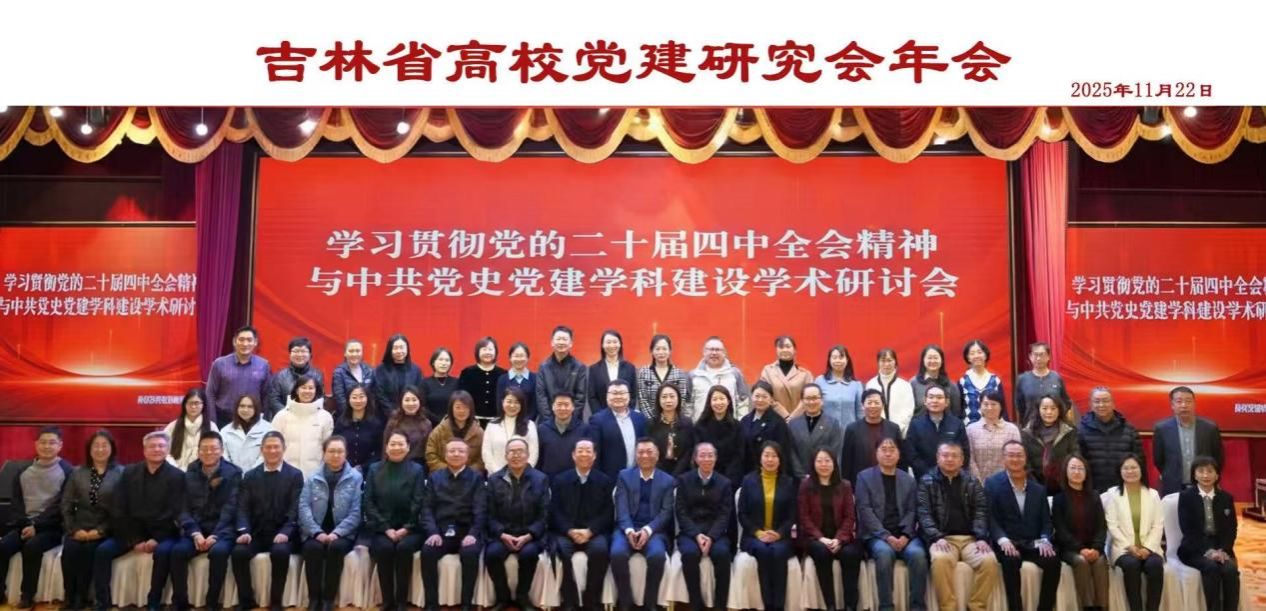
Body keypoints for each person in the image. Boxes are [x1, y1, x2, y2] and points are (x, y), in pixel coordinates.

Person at [97, 431, 186, 611]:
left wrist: (157, 538)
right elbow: (119, 507)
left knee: (162, 552)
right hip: (131, 531)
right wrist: (135, 539)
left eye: (161, 446)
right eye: (152, 446)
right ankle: (102, 601)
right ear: (144, 450)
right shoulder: (129, 472)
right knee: (102, 551)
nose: (157, 449)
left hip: (163, 532)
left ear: (167, 449)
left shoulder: (177, 476)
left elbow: (175, 512)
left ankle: (154, 601)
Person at [917, 441, 999, 611]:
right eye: (945, 455)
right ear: (937, 458)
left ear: (962, 460)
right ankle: (948, 607)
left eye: (954, 456)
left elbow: (981, 510)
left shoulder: (972, 481)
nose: (950, 459)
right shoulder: (926, 481)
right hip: (943, 539)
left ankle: (976, 606)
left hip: (971, 539)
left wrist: (981, 537)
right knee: (940, 560)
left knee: (989, 561)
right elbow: (924, 513)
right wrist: (936, 537)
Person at [0, 426, 72, 609]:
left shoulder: (68, 471)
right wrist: (26, 523)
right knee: (3, 546)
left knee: (32, 547)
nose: (47, 446)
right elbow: (16, 502)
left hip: (52, 528)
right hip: (24, 525)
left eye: (52, 442)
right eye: (43, 442)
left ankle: (27, 595)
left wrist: (37, 526)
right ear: (36, 444)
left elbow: (61, 505)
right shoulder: (23, 471)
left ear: (60, 445)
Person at [231, 431, 304, 611]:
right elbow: (242, 507)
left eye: (276, 447)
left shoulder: (295, 475)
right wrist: (244, 531)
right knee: (238, 553)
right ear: (261, 450)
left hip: (283, 534)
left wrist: (285, 532)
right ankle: (246, 600)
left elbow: (296, 509)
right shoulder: (250, 476)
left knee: (280, 552)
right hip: (256, 533)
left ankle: (276, 602)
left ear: (284, 449)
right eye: (268, 447)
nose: (272, 451)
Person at [984, 441, 1060, 611]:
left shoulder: (1038, 489)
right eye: (1011, 455)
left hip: (1033, 542)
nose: (1015, 459)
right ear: (1003, 458)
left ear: (1025, 458)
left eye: (1019, 455)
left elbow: (1046, 522)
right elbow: (990, 518)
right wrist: (1002, 539)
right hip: (1008, 542)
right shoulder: (992, 483)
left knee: (1053, 561)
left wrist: (1045, 539)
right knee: (1010, 561)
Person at [855, 438, 928, 611]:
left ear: (899, 454)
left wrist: (905, 535)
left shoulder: (908, 480)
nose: (888, 453)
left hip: (905, 535)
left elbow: (912, 510)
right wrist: (886, 536)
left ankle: (917, 606)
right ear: (876, 453)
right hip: (877, 535)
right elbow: (865, 511)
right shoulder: (864, 477)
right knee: (884, 553)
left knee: (918, 554)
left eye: (892, 449)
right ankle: (886, 606)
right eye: (883, 449)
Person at [170, 432, 240, 611]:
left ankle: (211, 602)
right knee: (178, 552)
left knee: (219, 553)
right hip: (196, 528)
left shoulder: (233, 473)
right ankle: (180, 602)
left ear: (221, 451)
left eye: (214, 449)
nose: (209, 452)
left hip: (222, 529)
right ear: (198, 451)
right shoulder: (190, 472)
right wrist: (195, 533)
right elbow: (183, 508)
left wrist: (216, 535)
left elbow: (231, 508)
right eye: (204, 449)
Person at [420, 439, 486, 611]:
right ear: (445, 454)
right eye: (452, 451)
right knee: (427, 551)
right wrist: (433, 532)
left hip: (467, 532)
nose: (456, 454)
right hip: (441, 532)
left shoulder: (477, 478)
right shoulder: (434, 477)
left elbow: (480, 510)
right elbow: (427, 508)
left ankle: (466, 604)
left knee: (470, 553)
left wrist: (472, 534)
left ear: (467, 455)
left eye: (461, 451)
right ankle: (431, 604)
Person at [298, 436, 362, 611]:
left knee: (335, 548)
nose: (335, 455)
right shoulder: (312, 477)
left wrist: (337, 533)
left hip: (343, 533)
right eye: (331, 451)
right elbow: (303, 507)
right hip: (315, 531)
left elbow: (356, 512)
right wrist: (316, 532)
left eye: (340, 451)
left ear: (346, 454)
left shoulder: (356, 477)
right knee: (312, 548)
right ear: (324, 454)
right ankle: (314, 599)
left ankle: (328, 599)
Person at [484, 439, 550, 611]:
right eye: (512, 452)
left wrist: (529, 535)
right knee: (492, 554)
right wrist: (502, 534)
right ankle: (502, 597)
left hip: (530, 534)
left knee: (529, 554)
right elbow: (489, 514)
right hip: (503, 534)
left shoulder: (540, 479)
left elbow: (545, 514)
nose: (516, 455)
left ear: (528, 455)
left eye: (520, 451)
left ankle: (522, 597)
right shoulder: (494, 480)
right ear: (505, 455)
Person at [550, 438, 614, 611]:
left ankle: (591, 600)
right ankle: (569, 600)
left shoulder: (604, 481)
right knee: (560, 551)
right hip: (567, 532)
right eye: (580, 450)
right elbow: (554, 511)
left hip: (593, 532)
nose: (584, 454)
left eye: (588, 451)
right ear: (573, 455)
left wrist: (590, 531)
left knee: (600, 551)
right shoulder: (560, 480)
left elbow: (608, 513)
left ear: (595, 456)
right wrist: (569, 530)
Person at [61, 431, 123, 611]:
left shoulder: (121, 473)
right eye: (96, 445)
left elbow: (120, 510)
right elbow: (65, 504)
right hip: (79, 527)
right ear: (89, 449)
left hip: (107, 528)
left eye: (104, 445)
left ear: (112, 448)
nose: (100, 449)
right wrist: (73, 530)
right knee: (70, 551)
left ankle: (84, 598)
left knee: (89, 550)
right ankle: (70, 598)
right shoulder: (77, 473)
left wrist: (101, 531)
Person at [610, 439, 674, 611]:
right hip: (626, 529)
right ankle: (626, 603)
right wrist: (629, 530)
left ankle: (650, 604)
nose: (645, 456)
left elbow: (666, 512)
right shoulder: (624, 476)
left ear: (657, 455)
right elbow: (621, 508)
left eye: (649, 452)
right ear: (635, 455)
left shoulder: (668, 480)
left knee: (657, 556)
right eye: (641, 452)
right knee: (617, 554)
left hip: (654, 531)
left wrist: (647, 530)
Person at [364, 432, 425, 611]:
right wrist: (386, 528)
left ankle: (401, 602)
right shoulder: (374, 469)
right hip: (382, 528)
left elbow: (418, 501)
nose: (396, 448)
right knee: (385, 549)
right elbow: (368, 502)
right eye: (393, 444)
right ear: (386, 447)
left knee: (404, 549)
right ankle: (387, 601)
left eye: (400, 444)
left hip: (410, 529)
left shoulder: (417, 470)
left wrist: (406, 528)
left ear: (408, 447)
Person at [798, 449, 862, 611]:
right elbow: (804, 517)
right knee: (822, 552)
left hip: (841, 538)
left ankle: (850, 605)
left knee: (851, 554)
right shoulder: (806, 485)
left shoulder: (845, 485)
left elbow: (850, 517)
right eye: (819, 461)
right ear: (813, 464)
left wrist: (839, 539)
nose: (824, 464)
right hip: (816, 539)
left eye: (827, 460)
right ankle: (830, 605)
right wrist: (821, 538)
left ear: (834, 463)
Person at [737, 441, 797, 611]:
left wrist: (778, 534)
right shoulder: (748, 481)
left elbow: (792, 515)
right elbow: (742, 514)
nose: (770, 460)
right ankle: (767, 604)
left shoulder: (788, 482)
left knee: (778, 552)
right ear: (760, 458)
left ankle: (778, 605)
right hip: (754, 536)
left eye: (774, 456)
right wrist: (758, 533)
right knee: (763, 551)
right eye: (766, 455)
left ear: (780, 459)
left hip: (781, 536)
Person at [675, 442, 733, 611]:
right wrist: (696, 535)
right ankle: (696, 605)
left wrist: (711, 537)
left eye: (710, 455)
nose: (706, 459)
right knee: (689, 554)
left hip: (716, 533)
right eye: (702, 455)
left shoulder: (724, 483)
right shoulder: (684, 480)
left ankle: (720, 606)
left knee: (722, 554)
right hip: (690, 532)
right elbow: (681, 512)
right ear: (695, 458)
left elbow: (724, 515)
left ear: (716, 458)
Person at [1177, 456, 1240, 611]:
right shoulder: (1186, 497)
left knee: (1230, 569)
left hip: (1221, 548)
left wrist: (1223, 550)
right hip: (1193, 548)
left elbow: (1231, 529)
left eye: (1210, 471)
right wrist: (1209, 552)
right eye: (1201, 471)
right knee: (1211, 567)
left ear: (1217, 475)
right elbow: (1188, 530)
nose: (1205, 475)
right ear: (1194, 474)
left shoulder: (1226, 498)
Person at [1103, 455, 1164, 611]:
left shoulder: (1153, 494)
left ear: (1141, 470)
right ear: (1120, 471)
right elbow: (1112, 526)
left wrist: (1148, 548)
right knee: (1131, 565)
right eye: (1126, 468)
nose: (1130, 471)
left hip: (1149, 548)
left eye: (1134, 467)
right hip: (1123, 549)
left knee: (1155, 565)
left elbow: (1158, 525)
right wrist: (1130, 547)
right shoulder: (1113, 495)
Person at [1051, 455, 1108, 611]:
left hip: (1093, 547)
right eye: (1073, 468)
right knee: (1081, 561)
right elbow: (1061, 530)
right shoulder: (1059, 499)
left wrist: (1096, 548)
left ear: (1086, 472)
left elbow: (1101, 526)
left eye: (1080, 468)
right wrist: (1080, 549)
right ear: (1066, 471)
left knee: (1100, 562)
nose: (1077, 472)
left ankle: (1102, 606)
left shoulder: (1094, 496)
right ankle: (1086, 606)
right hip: (1070, 549)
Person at [1153, 386, 1225, 497]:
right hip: (1173, 486)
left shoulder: (1210, 428)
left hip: (1203, 486)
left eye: (1188, 401)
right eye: (1179, 401)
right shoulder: (1162, 429)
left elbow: (1218, 458)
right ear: (1172, 405)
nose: (1184, 405)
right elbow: (1159, 460)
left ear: (1194, 404)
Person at [1077, 387, 1146, 493]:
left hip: (1122, 489)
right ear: (1091, 404)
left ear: (1113, 403)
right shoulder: (1080, 430)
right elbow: (1077, 462)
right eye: (1097, 401)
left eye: (1105, 401)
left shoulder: (1128, 429)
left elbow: (1140, 461)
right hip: (1092, 490)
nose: (1101, 405)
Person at [206, 325, 271, 426]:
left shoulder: (263, 365)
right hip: (223, 419)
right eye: (241, 339)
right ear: (234, 341)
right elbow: (210, 393)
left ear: (255, 342)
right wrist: (212, 421)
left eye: (249, 340)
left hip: (253, 420)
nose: (245, 344)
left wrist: (265, 420)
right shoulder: (220, 364)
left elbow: (266, 395)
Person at [272, 375, 335, 476]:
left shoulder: (325, 417)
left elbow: (328, 448)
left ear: (316, 391)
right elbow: (273, 446)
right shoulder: (282, 416)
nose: (307, 391)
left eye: (311, 388)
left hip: (315, 475)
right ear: (297, 390)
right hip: (286, 475)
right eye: (303, 387)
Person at [904, 385, 969, 481]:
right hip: (924, 478)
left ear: (947, 402)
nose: (935, 401)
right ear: (925, 401)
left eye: (939, 397)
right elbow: (911, 454)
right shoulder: (915, 424)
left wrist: (953, 472)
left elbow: (965, 452)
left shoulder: (957, 424)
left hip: (952, 477)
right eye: (931, 397)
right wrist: (929, 474)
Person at [840, 389, 903, 485]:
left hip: (889, 480)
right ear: (862, 405)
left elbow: (901, 459)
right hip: (860, 481)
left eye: (876, 403)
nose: (873, 406)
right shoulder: (852, 429)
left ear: (883, 405)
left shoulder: (893, 428)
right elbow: (846, 461)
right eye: (869, 403)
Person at [590, 380, 649, 480]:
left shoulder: (639, 418)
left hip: (638, 477)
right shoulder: (597, 420)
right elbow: (595, 454)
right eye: (614, 393)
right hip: (609, 479)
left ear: (629, 396)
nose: (618, 396)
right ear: (607, 396)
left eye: (622, 393)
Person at [1021, 395, 1078, 495]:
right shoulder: (1028, 433)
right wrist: (1035, 485)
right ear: (1038, 409)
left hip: (1064, 486)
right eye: (1044, 408)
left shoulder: (1069, 431)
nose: (1049, 412)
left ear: (1059, 410)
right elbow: (1025, 462)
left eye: (1053, 408)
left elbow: (1075, 455)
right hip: (1035, 486)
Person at [786, 384, 845, 479]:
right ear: (802, 401)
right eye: (808, 398)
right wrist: (802, 475)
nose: (811, 402)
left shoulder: (833, 423)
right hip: (799, 479)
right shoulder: (793, 424)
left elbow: (834, 451)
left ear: (822, 400)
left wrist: (821, 472)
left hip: (825, 477)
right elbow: (791, 452)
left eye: (815, 398)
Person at [689, 336, 751, 420]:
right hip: (700, 426)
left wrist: (740, 423)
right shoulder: (693, 375)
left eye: (718, 350)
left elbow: (743, 402)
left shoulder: (735, 374)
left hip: (729, 426)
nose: (714, 353)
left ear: (724, 353)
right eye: (711, 349)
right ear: (704, 352)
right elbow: (688, 405)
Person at [536, 325, 589, 422]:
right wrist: (550, 422)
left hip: (573, 423)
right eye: (558, 339)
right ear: (552, 342)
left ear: (571, 343)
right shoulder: (543, 367)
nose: (561, 342)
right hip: (547, 423)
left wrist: (570, 421)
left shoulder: (579, 367)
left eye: (564, 339)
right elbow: (541, 396)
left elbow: (580, 398)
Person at [1013, 342, 1074, 426]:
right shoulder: (1022, 379)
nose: (1038, 358)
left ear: (1048, 357)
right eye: (1035, 355)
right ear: (1030, 357)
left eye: (1042, 355)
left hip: (1054, 426)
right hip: (1031, 426)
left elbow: (1066, 402)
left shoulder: (1056, 378)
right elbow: (1019, 406)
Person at [739, 380, 792, 476]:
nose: (760, 400)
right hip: (747, 472)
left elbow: (784, 452)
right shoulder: (745, 420)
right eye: (757, 396)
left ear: (771, 399)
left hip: (771, 472)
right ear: (751, 397)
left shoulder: (778, 422)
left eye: (764, 397)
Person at [693, 385, 745, 483]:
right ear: (709, 402)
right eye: (715, 399)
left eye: (722, 399)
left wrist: (727, 480)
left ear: (728, 401)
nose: (718, 402)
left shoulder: (737, 426)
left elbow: (739, 455)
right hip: (706, 476)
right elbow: (697, 453)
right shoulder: (700, 426)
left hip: (731, 478)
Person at [425, 391, 486, 473]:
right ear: (451, 409)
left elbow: (483, 458)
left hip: (470, 476)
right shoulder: (439, 430)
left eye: (465, 407)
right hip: (442, 475)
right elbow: (430, 454)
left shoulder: (479, 432)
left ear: (471, 409)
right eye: (458, 407)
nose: (461, 411)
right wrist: (449, 471)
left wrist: (466, 472)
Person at [965, 390, 1020, 481]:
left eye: (994, 404)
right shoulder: (971, 430)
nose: (989, 408)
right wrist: (978, 482)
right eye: (986, 404)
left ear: (1001, 406)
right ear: (980, 406)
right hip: (977, 483)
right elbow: (970, 459)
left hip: (1004, 482)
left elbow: (1015, 457)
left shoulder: (1012, 430)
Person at [482, 388, 540, 473]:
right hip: (496, 475)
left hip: (523, 476)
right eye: (509, 401)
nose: (512, 405)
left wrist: (522, 473)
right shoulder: (492, 425)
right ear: (502, 402)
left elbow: (533, 453)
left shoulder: (530, 425)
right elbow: (486, 453)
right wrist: (498, 474)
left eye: (516, 402)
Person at [266, 337, 326, 419]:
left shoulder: (317, 375)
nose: (299, 354)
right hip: (285, 419)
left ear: (310, 355)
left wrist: (306, 417)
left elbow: (319, 398)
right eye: (296, 351)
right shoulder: (280, 376)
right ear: (289, 354)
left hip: (310, 419)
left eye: (303, 351)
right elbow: (274, 400)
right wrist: (288, 416)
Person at [636, 334, 692, 420]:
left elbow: (682, 399)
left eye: (664, 349)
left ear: (670, 351)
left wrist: (671, 418)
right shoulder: (643, 373)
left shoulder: (679, 374)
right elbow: (642, 400)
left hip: (674, 420)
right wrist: (652, 420)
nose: (661, 352)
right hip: (650, 422)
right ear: (651, 351)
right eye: (657, 349)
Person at [759, 335, 814, 419]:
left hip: (800, 419)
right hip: (774, 418)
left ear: (794, 350)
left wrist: (793, 417)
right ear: (776, 350)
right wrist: (784, 415)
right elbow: (764, 395)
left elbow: (809, 397)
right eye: (781, 347)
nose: (785, 350)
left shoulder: (805, 374)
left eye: (788, 346)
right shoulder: (767, 371)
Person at [535, 393, 590, 477]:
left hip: (574, 479)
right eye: (559, 404)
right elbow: (539, 458)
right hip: (548, 479)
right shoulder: (542, 429)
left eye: (566, 405)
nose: (563, 408)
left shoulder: (584, 429)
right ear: (553, 407)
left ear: (573, 407)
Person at [333, 383, 385, 470]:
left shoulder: (376, 424)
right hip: (343, 469)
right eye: (354, 397)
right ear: (348, 399)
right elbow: (335, 445)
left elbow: (379, 451)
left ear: (367, 398)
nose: (358, 401)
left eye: (361, 397)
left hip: (368, 471)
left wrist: (363, 467)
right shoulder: (341, 422)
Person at [164, 388, 219, 470]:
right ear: (184, 405)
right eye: (190, 403)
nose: (193, 406)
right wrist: (175, 468)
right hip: (176, 471)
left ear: (203, 405)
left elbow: (217, 452)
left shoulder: (211, 426)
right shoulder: (173, 426)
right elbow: (164, 451)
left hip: (203, 472)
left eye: (197, 403)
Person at [647, 384, 695, 474]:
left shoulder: (687, 423)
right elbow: (650, 451)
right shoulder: (651, 424)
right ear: (658, 400)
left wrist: (677, 473)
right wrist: (663, 475)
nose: (668, 400)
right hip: (658, 472)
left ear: (678, 399)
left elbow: (688, 452)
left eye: (672, 396)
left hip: (683, 472)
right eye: (664, 397)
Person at [373, 333, 425, 417]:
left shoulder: (416, 370)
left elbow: (419, 393)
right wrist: (393, 414)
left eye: (402, 347)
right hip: (385, 417)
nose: (399, 351)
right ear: (390, 350)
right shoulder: (380, 370)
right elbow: (380, 395)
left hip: (410, 416)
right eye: (395, 348)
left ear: (407, 349)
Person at [458, 336, 508, 424]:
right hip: (472, 421)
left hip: (497, 422)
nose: (487, 352)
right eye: (484, 349)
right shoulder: (467, 372)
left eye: (490, 349)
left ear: (496, 352)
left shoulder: (503, 374)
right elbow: (461, 397)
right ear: (477, 352)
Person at [865, 348, 914, 434]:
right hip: (876, 433)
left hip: (900, 433)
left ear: (895, 362)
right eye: (883, 361)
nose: (886, 364)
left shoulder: (905, 385)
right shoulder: (871, 384)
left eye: (889, 360)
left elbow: (908, 411)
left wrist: (895, 429)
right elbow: (868, 409)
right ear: (878, 363)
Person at [589, 329, 639, 413]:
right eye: (608, 342)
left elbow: (633, 395)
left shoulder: (630, 368)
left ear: (620, 344)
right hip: (602, 417)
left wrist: (625, 414)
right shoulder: (594, 369)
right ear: (602, 345)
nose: (612, 345)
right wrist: (600, 417)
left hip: (625, 416)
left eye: (615, 342)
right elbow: (592, 398)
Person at [815, 344, 863, 431]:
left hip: (849, 433)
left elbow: (860, 412)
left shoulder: (856, 385)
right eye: (834, 357)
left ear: (847, 360)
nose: (838, 361)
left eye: (841, 357)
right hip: (825, 432)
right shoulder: (820, 381)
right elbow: (814, 407)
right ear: (829, 360)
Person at [382, 386, 433, 466]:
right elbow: (385, 447)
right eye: (407, 400)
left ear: (420, 401)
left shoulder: (426, 424)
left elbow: (428, 452)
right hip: (394, 463)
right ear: (401, 402)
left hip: (418, 466)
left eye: (414, 400)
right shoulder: (394, 421)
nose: (411, 403)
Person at [910, 344, 963, 420]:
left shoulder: (951, 385)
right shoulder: (913, 383)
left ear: (942, 360)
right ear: (923, 360)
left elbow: (956, 413)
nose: (932, 361)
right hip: (918, 426)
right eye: (929, 358)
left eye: (936, 358)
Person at [221, 394, 272, 472]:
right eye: (242, 406)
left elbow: (266, 455)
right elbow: (223, 455)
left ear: (256, 409)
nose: (245, 410)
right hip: (232, 475)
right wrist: (233, 472)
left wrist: (251, 474)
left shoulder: (268, 429)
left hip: (259, 474)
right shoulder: (225, 431)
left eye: (250, 407)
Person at [959, 340, 1004, 424]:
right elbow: (959, 409)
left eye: (979, 352)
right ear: (968, 357)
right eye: (972, 353)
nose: (976, 356)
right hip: (969, 428)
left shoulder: (995, 380)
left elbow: (1002, 408)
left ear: (985, 355)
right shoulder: (963, 381)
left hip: (993, 427)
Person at [330, 338, 375, 417]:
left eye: (358, 351)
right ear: (345, 353)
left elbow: (373, 395)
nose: (354, 354)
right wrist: (352, 417)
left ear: (362, 353)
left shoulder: (369, 370)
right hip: (346, 416)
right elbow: (340, 399)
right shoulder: (339, 372)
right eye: (351, 351)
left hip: (368, 415)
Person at [495, 342, 539, 422]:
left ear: (527, 358)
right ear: (510, 358)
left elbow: (535, 405)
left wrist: (527, 421)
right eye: (516, 356)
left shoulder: (535, 378)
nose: (519, 359)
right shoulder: (502, 379)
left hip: (528, 423)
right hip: (506, 422)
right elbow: (499, 403)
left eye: (522, 356)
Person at [420, 347, 459, 427]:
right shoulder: (425, 383)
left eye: (447, 360)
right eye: (440, 359)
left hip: (453, 425)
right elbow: (422, 407)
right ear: (433, 362)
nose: (444, 363)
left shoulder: (457, 382)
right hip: (430, 425)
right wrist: (439, 420)